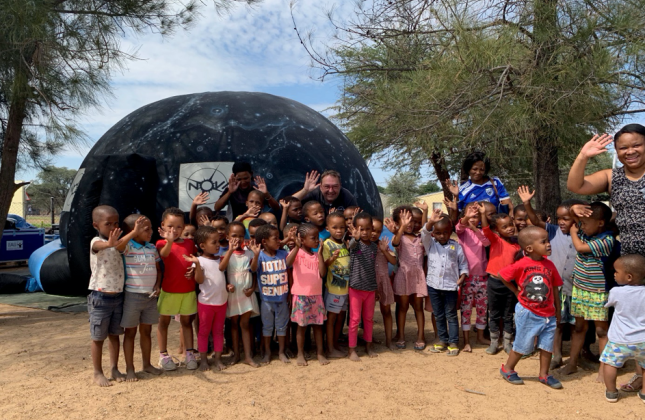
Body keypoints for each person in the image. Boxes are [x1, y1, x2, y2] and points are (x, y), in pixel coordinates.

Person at [567, 126, 645, 392]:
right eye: (623, 147)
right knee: (636, 319)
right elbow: (575, 185)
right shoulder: (613, 176)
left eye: (636, 145)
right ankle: (640, 375)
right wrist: (583, 155)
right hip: (630, 260)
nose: (630, 151)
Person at [517, 186, 585, 369]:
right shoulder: (553, 231)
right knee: (557, 324)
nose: (561, 222)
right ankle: (556, 356)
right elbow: (534, 220)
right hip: (558, 290)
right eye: (559, 218)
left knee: (577, 326)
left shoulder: (584, 237)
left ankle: (574, 359)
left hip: (577, 288)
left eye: (566, 218)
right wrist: (526, 203)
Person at [498, 226, 563, 390]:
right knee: (522, 344)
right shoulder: (522, 264)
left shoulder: (550, 265)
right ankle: (508, 368)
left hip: (548, 314)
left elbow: (555, 288)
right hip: (528, 312)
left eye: (548, 240)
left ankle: (544, 374)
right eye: (544, 242)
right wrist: (515, 290)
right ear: (529, 248)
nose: (548, 244)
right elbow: (502, 275)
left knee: (547, 346)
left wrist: (558, 310)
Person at [561, 202, 615, 382]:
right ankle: (573, 362)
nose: (581, 226)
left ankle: (603, 368)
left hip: (598, 292)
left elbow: (581, 248)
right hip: (580, 289)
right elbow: (574, 219)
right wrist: (573, 210)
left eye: (585, 223)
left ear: (600, 223)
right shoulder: (587, 232)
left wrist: (575, 232)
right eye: (581, 223)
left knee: (601, 331)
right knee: (578, 327)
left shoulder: (607, 240)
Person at [88, 205, 133, 387]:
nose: (113, 227)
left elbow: (121, 247)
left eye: (116, 223)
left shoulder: (120, 243)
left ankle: (114, 368)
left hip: (118, 297)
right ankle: (97, 372)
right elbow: (100, 246)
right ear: (96, 225)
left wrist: (133, 232)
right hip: (100, 297)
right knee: (98, 337)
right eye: (108, 224)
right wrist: (109, 243)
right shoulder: (96, 241)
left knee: (115, 335)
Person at [120, 214, 162, 382]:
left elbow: (158, 269)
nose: (150, 232)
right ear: (133, 231)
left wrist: (158, 285)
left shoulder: (152, 248)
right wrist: (133, 233)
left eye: (151, 228)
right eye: (146, 229)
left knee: (147, 331)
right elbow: (118, 245)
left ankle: (147, 364)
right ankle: (130, 369)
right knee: (130, 333)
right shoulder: (128, 246)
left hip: (150, 297)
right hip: (132, 296)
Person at [156, 207, 198, 371]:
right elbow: (164, 255)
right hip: (169, 291)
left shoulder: (189, 243)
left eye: (179, 227)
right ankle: (163, 355)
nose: (174, 230)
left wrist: (193, 268)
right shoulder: (161, 243)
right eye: (170, 226)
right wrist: (170, 241)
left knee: (187, 322)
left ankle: (189, 353)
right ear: (163, 225)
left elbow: (194, 260)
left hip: (187, 291)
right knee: (164, 323)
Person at [183, 226, 231, 372]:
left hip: (221, 303)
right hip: (206, 303)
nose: (218, 244)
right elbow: (199, 280)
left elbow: (223, 275)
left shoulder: (221, 259)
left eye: (218, 241)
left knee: (218, 332)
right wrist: (197, 265)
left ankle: (217, 359)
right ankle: (204, 360)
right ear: (202, 246)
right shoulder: (198, 260)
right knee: (204, 332)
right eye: (214, 242)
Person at [422, 209, 469, 356]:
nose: (442, 236)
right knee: (438, 314)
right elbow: (424, 232)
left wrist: (462, 276)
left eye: (446, 232)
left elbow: (463, 264)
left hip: (451, 286)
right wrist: (430, 222)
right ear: (433, 233)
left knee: (451, 315)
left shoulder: (456, 247)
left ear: (450, 232)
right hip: (433, 286)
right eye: (438, 233)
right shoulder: (430, 244)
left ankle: (454, 342)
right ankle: (442, 340)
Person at [601, 254, 645, 403]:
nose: (614, 274)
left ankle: (611, 392)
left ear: (629, 277)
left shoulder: (616, 292)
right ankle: (644, 393)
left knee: (610, 363)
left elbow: (609, 304)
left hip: (619, 340)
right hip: (643, 340)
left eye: (617, 271)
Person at [479, 203, 521, 355]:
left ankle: (508, 342)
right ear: (497, 230)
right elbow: (485, 230)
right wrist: (483, 214)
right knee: (494, 313)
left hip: (510, 284)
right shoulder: (496, 240)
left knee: (509, 314)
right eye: (505, 227)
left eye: (511, 225)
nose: (509, 228)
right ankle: (494, 342)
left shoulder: (518, 245)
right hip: (494, 282)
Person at [252, 224, 294, 365]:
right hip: (266, 299)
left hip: (282, 298)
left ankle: (281, 352)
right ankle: (268, 352)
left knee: (282, 326)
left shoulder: (283, 254)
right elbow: (253, 269)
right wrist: (256, 254)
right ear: (264, 241)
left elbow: (289, 269)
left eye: (279, 238)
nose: (279, 241)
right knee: (267, 326)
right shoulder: (260, 256)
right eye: (275, 238)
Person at [220, 222, 260, 367]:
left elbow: (254, 270)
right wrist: (226, 285)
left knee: (245, 323)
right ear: (227, 237)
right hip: (232, 295)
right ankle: (236, 355)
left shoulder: (249, 253)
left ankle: (248, 356)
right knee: (234, 324)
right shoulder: (225, 255)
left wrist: (253, 287)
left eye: (241, 236)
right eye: (234, 236)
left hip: (246, 294)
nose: (237, 239)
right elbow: (221, 269)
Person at [289, 223, 329, 366]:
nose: (317, 240)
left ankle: (320, 352)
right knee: (301, 326)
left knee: (318, 326)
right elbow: (288, 262)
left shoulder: (316, 255)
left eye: (318, 238)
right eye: (313, 238)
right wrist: (296, 246)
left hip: (316, 295)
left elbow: (323, 273)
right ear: (302, 239)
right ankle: (300, 353)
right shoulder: (298, 253)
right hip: (301, 296)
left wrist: (319, 255)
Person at [389, 206, 427, 351]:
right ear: (397, 223)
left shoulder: (420, 238)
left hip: (418, 277)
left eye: (410, 220)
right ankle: (401, 336)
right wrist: (401, 228)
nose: (409, 223)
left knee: (418, 307)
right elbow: (395, 242)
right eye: (404, 221)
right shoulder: (399, 237)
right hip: (403, 277)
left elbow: (425, 228)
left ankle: (421, 336)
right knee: (403, 308)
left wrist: (425, 212)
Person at [455, 203, 491, 352]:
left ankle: (480, 337)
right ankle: (466, 340)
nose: (472, 218)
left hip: (482, 277)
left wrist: (477, 227)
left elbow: (487, 242)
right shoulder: (462, 232)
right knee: (466, 310)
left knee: (482, 309)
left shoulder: (481, 232)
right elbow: (458, 227)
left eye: (476, 216)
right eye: (469, 215)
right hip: (467, 278)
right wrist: (466, 218)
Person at [347, 212, 379, 361]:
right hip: (355, 288)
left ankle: (368, 345)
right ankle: (352, 349)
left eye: (367, 229)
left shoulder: (374, 246)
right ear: (355, 229)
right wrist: (355, 237)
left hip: (370, 288)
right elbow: (350, 246)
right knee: (354, 320)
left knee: (368, 318)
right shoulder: (354, 243)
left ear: (372, 228)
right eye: (361, 229)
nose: (364, 232)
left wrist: (376, 288)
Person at [322, 212, 351, 358]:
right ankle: (330, 348)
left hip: (345, 289)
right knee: (331, 319)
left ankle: (335, 343)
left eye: (342, 227)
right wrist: (331, 259)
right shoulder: (327, 244)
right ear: (327, 228)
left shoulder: (344, 243)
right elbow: (324, 265)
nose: (339, 230)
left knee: (341, 318)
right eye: (335, 227)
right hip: (334, 289)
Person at [448, 151, 513, 215]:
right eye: (474, 169)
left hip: (494, 224)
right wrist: (456, 196)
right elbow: (455, 216)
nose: (478, 172)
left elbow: (508, 206)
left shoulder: (495, 182)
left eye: (481, 169)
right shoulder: (462, 189)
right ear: (468, 169)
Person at [214, 161, 280, 219]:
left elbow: (276, 208)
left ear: (251, 174)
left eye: (246, 178)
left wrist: (266, 194)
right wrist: (229, 192)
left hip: (255, 225)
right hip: (236, 226)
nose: (243, 182)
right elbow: (217, 208)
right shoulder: (231, 191)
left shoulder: (257, 189)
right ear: (234, 177)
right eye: (239, 179)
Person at [372, 217, 397, 351]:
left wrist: (383, 250)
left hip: (383, 281)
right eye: (372, 230)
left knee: (386, 311)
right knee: (368, 314)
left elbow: (393, 261)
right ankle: (368, 342)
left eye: (378, 231)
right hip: (369, 283)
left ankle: (388, 340)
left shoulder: (383, 244)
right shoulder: (362, 246)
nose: (374, 233)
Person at [293, 170, 358, 214]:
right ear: (320, 187)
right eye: (327, 186)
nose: (331, 190)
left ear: (340, 186)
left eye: (335, 186)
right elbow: (287, 204)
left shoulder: (346, 196)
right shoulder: (314, 193)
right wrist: (305, 190)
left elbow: (358, 217)